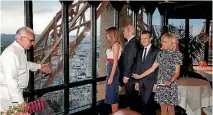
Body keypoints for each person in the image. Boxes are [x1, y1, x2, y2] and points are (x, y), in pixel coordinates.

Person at [0, 27, 52, 111]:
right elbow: (11, 80)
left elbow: (24, 64)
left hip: (12, 95)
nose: (33, 43)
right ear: (21, 38)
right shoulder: (11, 54)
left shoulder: (17, 51)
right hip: (9, 97)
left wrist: (39, 66)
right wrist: (20, 102)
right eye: (31, 40)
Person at [133, 33, 183, 115]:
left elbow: (177, 73)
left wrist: (170, 82)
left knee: (170, 107)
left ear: (171, 43)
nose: (162, 43)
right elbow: (152, 69)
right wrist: (140, 76)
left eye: (165, 42)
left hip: (170, 84)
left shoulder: (177, 55)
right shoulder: (160, 54)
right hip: (161, 83)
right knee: (162, 106)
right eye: (162, 41)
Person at [134, 31, 159, 115]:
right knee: (143, 105)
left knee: (150, 107)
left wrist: (156, 83)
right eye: (141, 38)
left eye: (145, 38)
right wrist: (137, 82)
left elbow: (159, 69)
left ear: (150, 39)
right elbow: (138, 66)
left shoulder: (156, 51)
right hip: (141, 82)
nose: (143, 40)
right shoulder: (140, 51)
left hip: (151, 83)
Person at [118, 25, 140, 111]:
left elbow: (130, 61)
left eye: (124, 31)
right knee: (133, 100)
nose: (123, 32)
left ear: (129, 32)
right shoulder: (133, 42)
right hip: (132, 77)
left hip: (131, 78)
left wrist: (126, 76)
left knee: (133, 101)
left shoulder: (132, 43)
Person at [105, 27, 122, 114]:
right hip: (111, 69)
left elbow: (115, 63)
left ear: (112, 34)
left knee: (113, 95)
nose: (106, 35)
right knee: (113, 94)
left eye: (108, 34)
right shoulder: (113, 45)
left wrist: (111, 77)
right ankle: (115, 113)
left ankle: (115, 113)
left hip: (113, 70)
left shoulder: (115, 45)